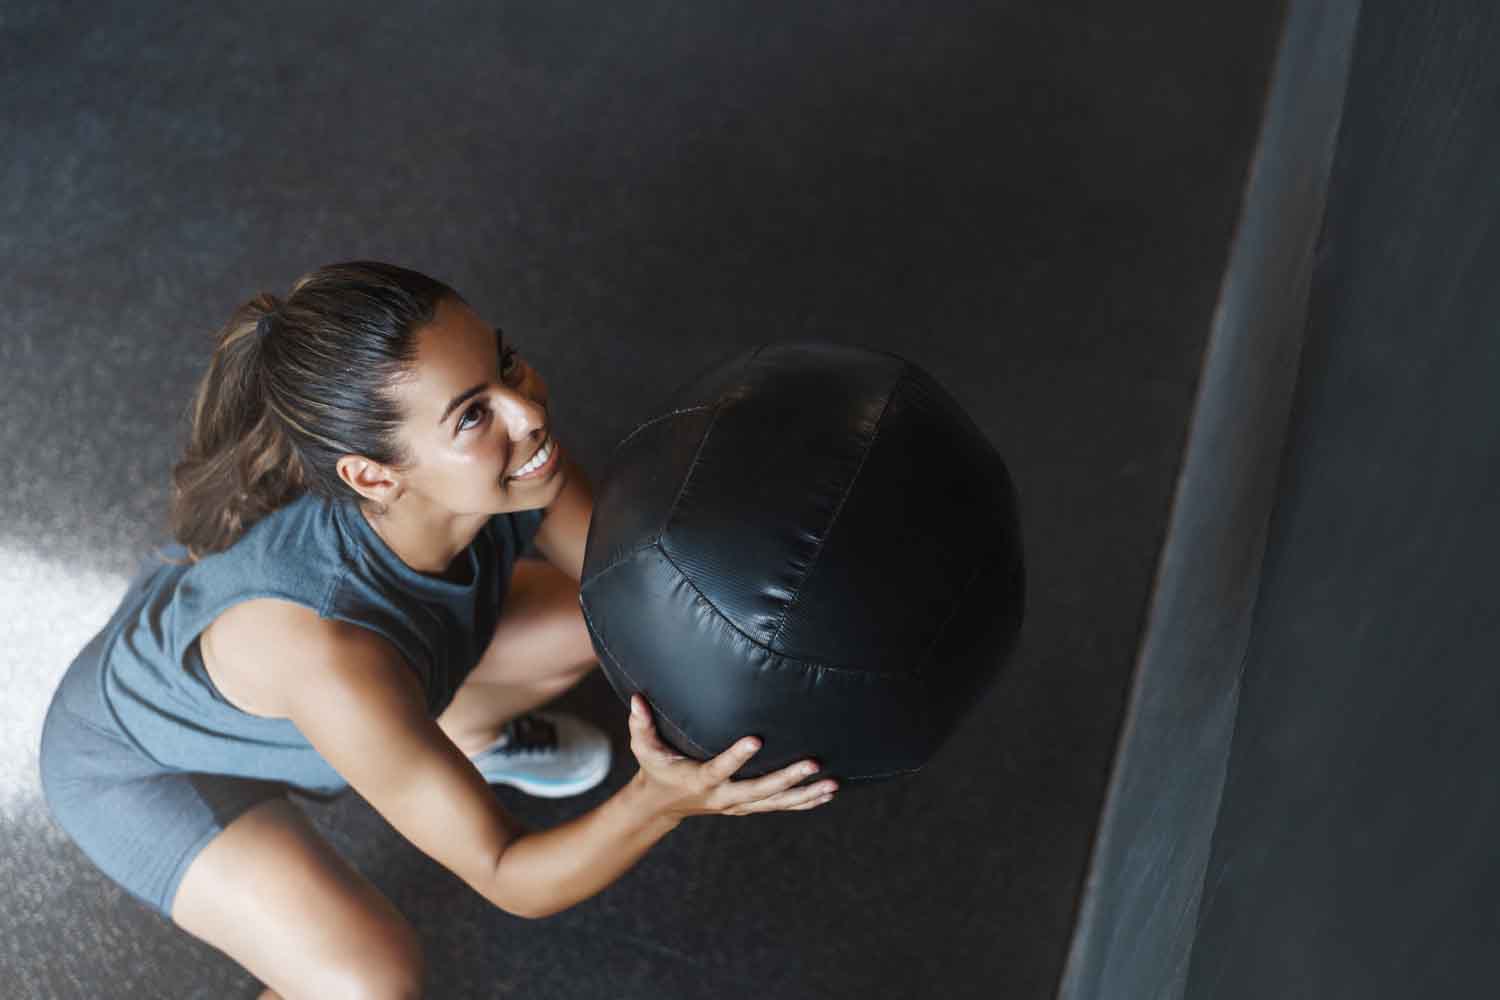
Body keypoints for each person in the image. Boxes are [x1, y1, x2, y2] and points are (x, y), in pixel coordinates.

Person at [37, 260, 838, 1000]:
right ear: (374, 474)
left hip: (371, 685)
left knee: (613, 615)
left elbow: (647, 588)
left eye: (507, 361)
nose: (528, 412)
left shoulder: (516, 469)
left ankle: (470, 738)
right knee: (375, 982)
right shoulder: (328, 652)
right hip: (141, 770)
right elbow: (509, 872)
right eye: (471, 415)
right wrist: (660, 801)